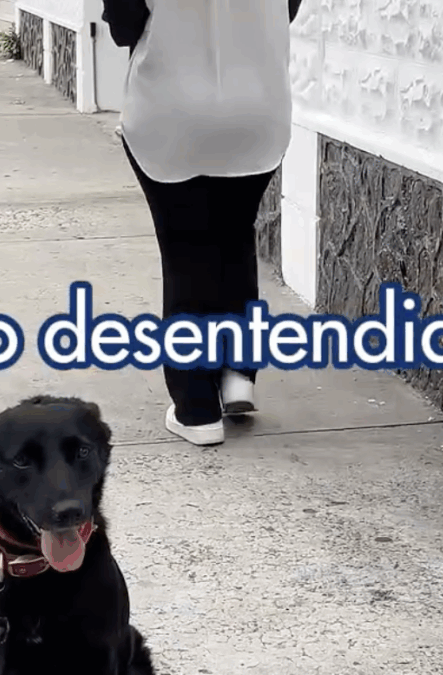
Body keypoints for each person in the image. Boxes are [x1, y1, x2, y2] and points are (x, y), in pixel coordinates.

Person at [101, 0, 304, 446]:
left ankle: (196, 408)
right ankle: (237, 374)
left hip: (173, 109)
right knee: (235, 237)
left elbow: (122, 26)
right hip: (258, 108)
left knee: (185, 252)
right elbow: (288, 9)